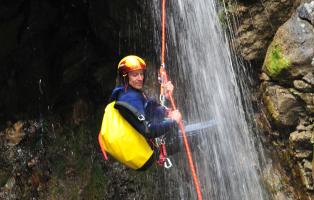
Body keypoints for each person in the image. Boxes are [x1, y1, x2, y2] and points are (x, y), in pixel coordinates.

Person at [101, 55, 182, 170]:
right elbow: (148, 129)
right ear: (125, 77)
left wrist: (165, 98)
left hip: (152, 145)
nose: (140, 78)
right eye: (135, 74)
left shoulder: (132, 93)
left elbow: (150, 114)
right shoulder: (128, 99)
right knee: (208, 130)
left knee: (205, 129)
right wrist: (172, 121)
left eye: (141, 74)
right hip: (153, 148)